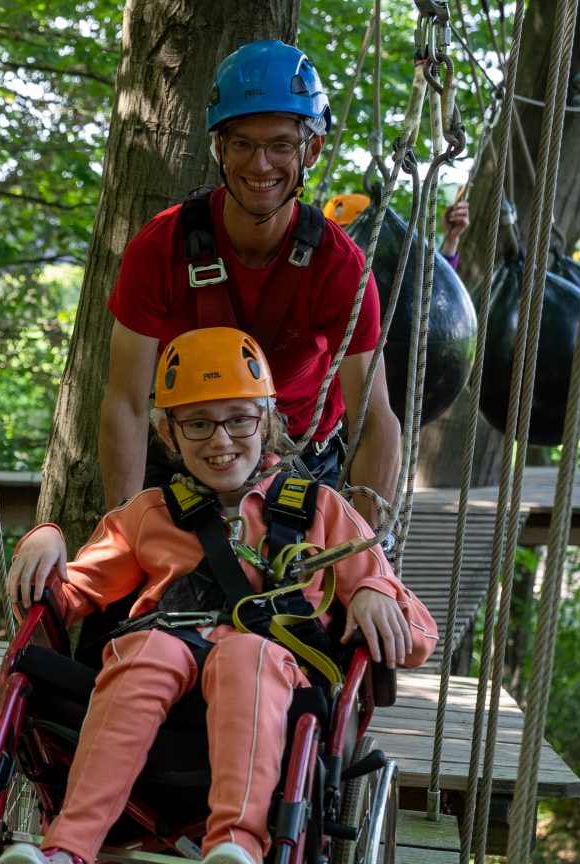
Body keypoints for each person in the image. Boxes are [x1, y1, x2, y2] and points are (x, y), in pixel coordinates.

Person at [0, 327, 437, 864]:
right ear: (168, 433)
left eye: (238, 421)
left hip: (268, 684)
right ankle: (67, 855)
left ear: (268, 420)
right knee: (146, 649)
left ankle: (235, 856)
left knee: (243, 654)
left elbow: (418, 634)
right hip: (162, 684)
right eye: (197, 424)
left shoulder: (323, 511)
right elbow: (68, 596)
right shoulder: (149, 515)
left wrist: (376, 593)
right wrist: (44, 538)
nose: (220, 440)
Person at [103, 40, 397, 516]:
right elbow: (128, 404)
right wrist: (121, 523)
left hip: (300, 463)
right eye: (242, 143)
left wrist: (365, 560)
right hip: (188, 455)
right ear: (219, 146)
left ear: (313, 149)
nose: (260, 165)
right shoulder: (161, 249)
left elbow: (373, 417)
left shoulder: (339, 267)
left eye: (280, 145)